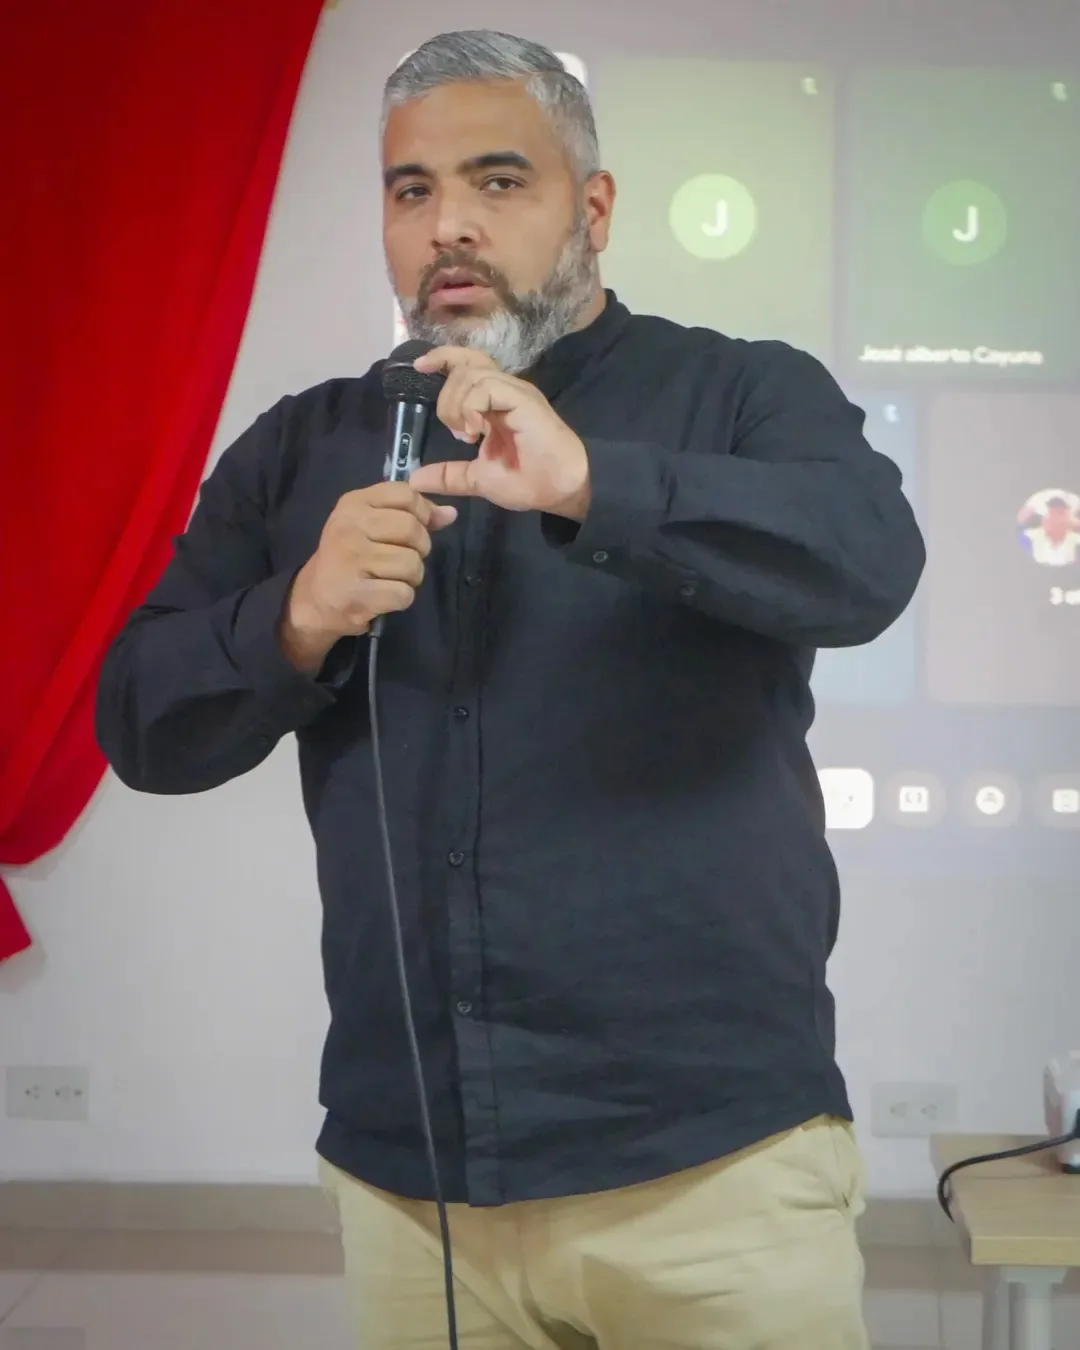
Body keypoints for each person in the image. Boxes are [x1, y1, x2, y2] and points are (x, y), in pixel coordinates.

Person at [96, 29, 925, 1350]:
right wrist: (295, 617)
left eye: (498, 180)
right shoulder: (302, 446)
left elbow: (871, 562)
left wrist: (594, 484)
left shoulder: (737, 391)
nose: (449, 226)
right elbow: (141, 723)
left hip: (711, 1170)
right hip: (414, 1179)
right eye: (411, 190)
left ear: (592, 208)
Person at [1018, 493, 1080, 567]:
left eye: (1060, 513)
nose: (1055, 518)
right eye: (1052, 512)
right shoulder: (1029, 537)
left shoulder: (1075, 540)